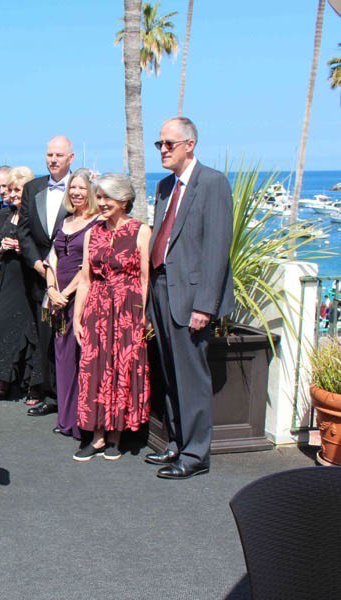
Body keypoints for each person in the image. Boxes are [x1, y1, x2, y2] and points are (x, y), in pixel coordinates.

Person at [146, 117, 234, 480]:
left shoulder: (212, 183)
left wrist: (205, 306)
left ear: (190, 144)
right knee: (169, 372)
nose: (163, 150)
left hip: (191, 298)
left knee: (192, 376)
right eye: (159, 144)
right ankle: (177, 442)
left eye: (169, 144)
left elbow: (216, 249)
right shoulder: (166, 186)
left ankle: (196, 455)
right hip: (162, 289)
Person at [72, 174, 151, 461]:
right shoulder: (93, 232)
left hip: (128, 309)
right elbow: (85, 278)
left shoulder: (141, 231)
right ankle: (97, 436)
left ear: (123, 200)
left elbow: (144, 279)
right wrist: (78, 318)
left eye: (106, 198)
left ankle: (116, 435)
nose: (101, 203)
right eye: (100, 197)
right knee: (94, 369)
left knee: (122, 369)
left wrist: (142, 318)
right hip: (98, 307)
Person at [17, 136, 72, 414]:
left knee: (71, 338)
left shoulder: (81, 187)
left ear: (70, 158)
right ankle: (52, 397)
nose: (53, 159)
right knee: (46, 337)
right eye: (49, 154)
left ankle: (72, 397)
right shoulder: (32, 188)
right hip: (40, 277)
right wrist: (38, 264)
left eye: (59, 155)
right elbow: (23, 231)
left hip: (73, 279)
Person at [45, 168, 100, 439]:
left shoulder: (98, 222)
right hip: (57, 297)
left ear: (91, 191)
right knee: (62, 357)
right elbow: (52, 257)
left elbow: (88, 266)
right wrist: (51, 288)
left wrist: (65, 293)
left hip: (81, 297)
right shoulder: (65, 220)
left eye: (81, 188)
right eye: (73, 188)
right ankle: (64, 418)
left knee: (81, 358)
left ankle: (81, 421)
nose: (76, 193)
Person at [0, 167, 38, 403]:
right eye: (8, 189)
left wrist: (20, 248)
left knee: (30, 332)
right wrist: (2, 248)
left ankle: (33, 387)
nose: (11, 194)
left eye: (16, 190)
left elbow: (41, 247)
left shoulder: (33, 215)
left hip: (28, 278)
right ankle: (1, 382)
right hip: (7, 278)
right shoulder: (6, 215)